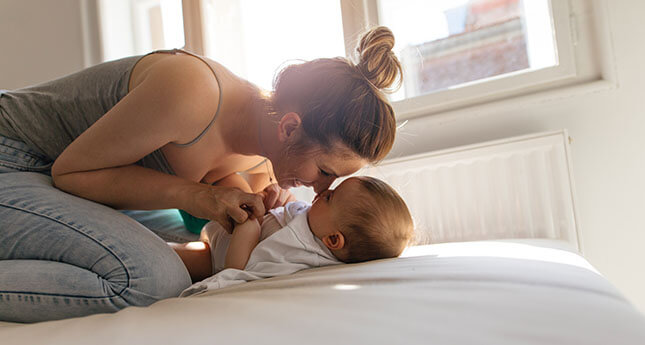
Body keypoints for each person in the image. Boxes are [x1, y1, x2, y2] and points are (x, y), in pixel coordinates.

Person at [0, 26, 403, 322]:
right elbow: (72, 173)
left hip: (64, 184)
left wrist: (251, 206)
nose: (320, 189)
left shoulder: (266, 160)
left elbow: (224, 239)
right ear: (289, 128)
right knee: (153, 279)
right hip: (17, 158)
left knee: (197, 257)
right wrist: (198, 196)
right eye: (324, 172)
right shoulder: (193, 94)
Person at [170, 176, 414, 296]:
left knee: (171, 254)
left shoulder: (295, 251)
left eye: (330, 197)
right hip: (219, 228)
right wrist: (279, 196)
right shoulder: (317, 224)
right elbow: (291, 209)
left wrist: (250, 226)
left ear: (333, 240)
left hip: (213, 255)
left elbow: (238, 269)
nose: (324, 191)